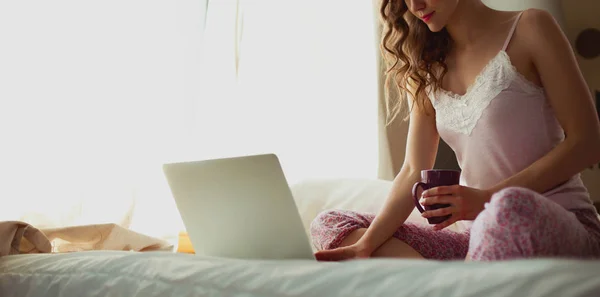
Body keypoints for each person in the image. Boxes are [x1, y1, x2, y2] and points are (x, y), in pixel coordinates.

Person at [310, 0, 600, 261]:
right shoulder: (426, 65)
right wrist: (367, 245)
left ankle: (466, 277)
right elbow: (413, 168)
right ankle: (452, 283)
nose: (414, 5)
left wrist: (487, 198)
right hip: (473, 241)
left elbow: (586, 142)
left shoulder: (530, 27)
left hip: (559, 223)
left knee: (505, 208)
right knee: (332, 224)